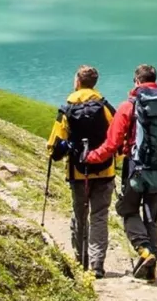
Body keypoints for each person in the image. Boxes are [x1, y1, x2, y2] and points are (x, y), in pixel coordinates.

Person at [83, 64, 157, 281]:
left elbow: (112, 144)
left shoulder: (128, 106)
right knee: (151, 215)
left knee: (127, 210)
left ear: (136, 81)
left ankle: (145, 250)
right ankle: (151, 268)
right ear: (155, 80)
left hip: (136, 169)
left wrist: (91, 157)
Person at [46, 65, 117, 278]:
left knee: (80, 214)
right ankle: (97, 264)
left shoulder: (66, 109)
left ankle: (80, 260)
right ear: (95, 83)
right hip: (105, 171)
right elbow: (116, 137)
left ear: (77, 81)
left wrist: (59, 151)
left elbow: (54, 145)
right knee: (99, 216)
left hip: (78, 173)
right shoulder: (105, 107)